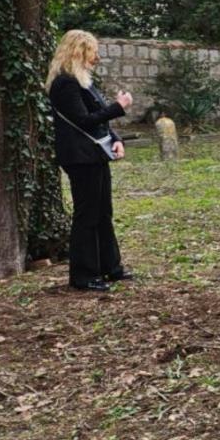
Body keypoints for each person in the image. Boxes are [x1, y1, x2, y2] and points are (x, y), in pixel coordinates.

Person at [48, 29, 133, 292]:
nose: (96, 58)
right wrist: (119, 107)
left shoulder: (83, 81)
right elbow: (83, 120)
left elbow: (98, 116)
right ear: (79, 52)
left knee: (103, 212)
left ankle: (110, 267)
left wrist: (116, 137)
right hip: (80, 157)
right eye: (92, 52)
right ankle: (83, 276)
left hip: (94, 154)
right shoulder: (65, 84)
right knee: (87, 215)